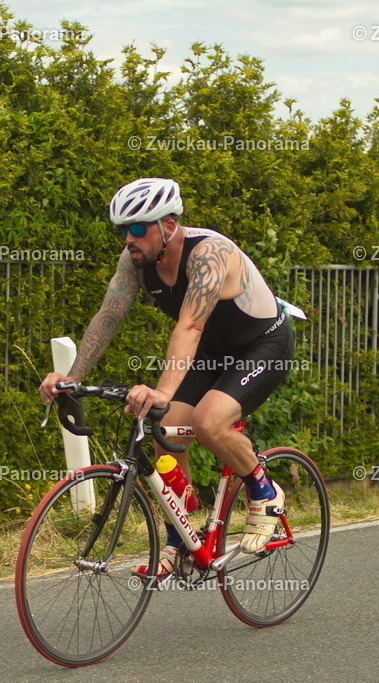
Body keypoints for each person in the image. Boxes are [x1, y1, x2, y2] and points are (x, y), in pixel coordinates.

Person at [38, 177, 297, 578]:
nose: (129, 238)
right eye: (123, 229)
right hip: (213, 354)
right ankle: (180, 539)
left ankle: (263, 490)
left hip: (262, 345)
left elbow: (189, 327)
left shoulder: (209, 253)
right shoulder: (136, 263)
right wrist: (71, 378)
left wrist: (161, 390)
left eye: (138, 228)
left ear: (169, 226)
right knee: (167, 431)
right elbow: (108, 317)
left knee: (208, 423)